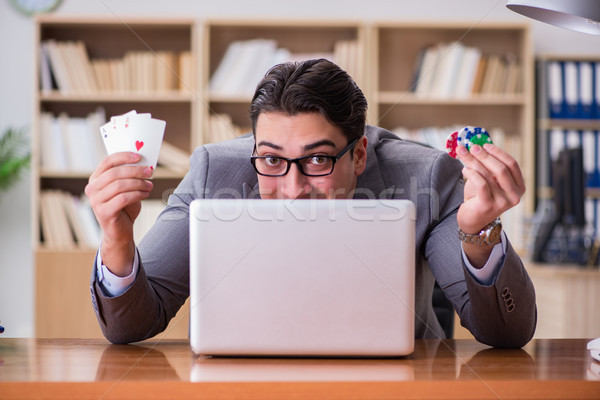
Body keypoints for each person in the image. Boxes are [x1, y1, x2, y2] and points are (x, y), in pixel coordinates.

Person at [86, 58, 536, 347]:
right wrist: (118, 238)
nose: (294, 187)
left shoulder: (425, 177)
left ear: (358, 154)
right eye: (272, 160)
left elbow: (505, 333)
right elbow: (130, 327)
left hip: (398, 386)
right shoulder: (213, 173)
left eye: (318, 159)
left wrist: (478, 234)